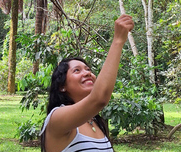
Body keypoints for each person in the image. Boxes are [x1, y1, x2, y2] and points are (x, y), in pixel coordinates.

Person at [40, 14, 134, 152]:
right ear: (62, 86)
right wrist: (118, 41)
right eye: (77, 71)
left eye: (88, 69)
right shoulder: (57, 118)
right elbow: (99, 98)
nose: (87, 73)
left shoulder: (95, 122)